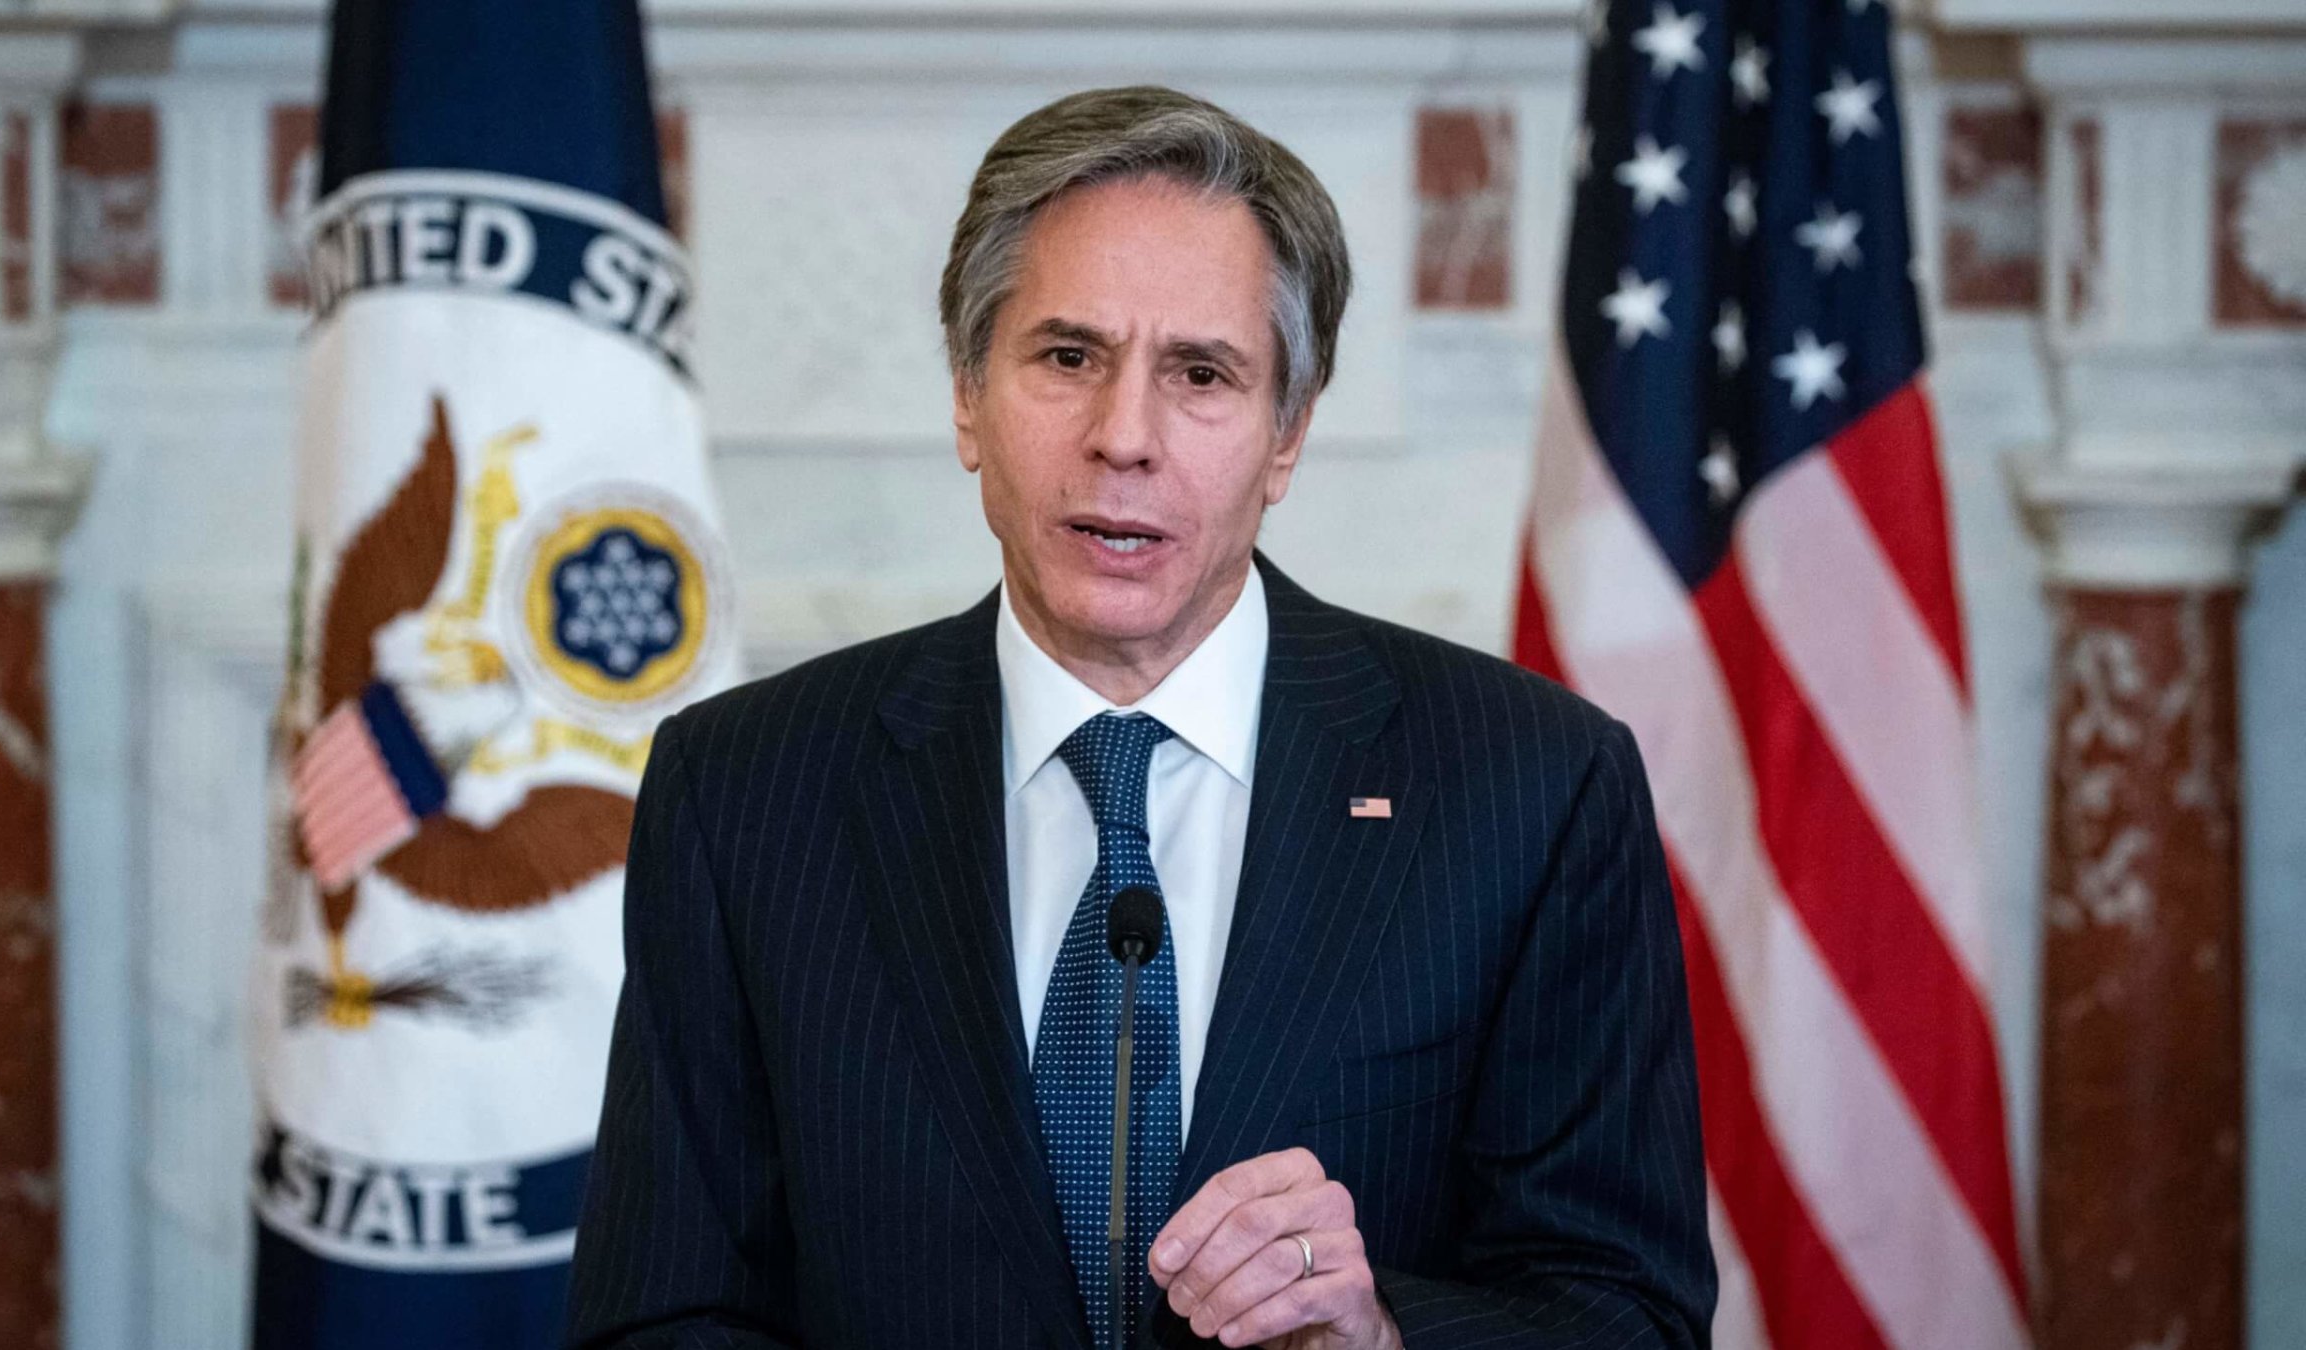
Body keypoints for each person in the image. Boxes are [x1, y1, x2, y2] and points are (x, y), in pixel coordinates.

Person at [565, 85, 1714, 1350]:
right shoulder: (745, 791)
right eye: (1067, 358)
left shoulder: (1532, 786)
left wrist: (1383, 1335)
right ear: (968, 396)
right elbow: (660, 1316)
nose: (1125, 438)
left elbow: (1628, 1313)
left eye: (1202, 374)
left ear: (1286, 438)